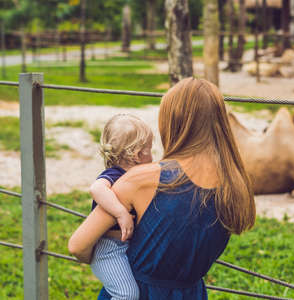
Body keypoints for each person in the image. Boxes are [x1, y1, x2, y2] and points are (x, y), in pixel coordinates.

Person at [68, 77, 256, 299]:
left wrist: (109, 263)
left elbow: (77, 246)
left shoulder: (143, 179)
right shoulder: (235, 184)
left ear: (172, 121)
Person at [89, 114, 153, 300]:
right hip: (109, 250)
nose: (153, 155)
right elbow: (96, 188)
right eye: (150, 150)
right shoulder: (115, 175)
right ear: (138, 155)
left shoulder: (137, 177)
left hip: (125, 248)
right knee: (127, 295)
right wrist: (121, 213)